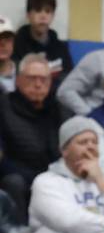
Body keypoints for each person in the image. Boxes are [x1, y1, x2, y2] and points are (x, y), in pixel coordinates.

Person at [0, 53, 61, 215]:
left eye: (44, 79)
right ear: (18, 80)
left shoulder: (58, 109)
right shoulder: (3, 107)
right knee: (14, 182)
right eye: (32, 78)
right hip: (17, 177)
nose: (38, 84)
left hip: (54, 177)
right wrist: (37, 179)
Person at [12, 0, 73, 82]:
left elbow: (68, 78)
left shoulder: (60, 48)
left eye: (48, 11)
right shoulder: (16, 44)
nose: (43, 16)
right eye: (38, 10)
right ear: (28, 15)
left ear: (53, 16)